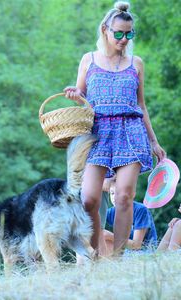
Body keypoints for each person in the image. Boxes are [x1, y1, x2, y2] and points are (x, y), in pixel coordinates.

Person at [64, 1, 166, 255]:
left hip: (130, 132)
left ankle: (117, 258)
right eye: (118, 33)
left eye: (129, 34)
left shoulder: (136, 63)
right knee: (89, 199)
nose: (123, 39)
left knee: (123, 197)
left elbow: (141, 105)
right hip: (97, 134)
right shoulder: (88, 60)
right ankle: (97, 252)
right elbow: (82, 95)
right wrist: (76, 94)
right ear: (105, 30)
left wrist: (153, 141)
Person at [99, 178, 157, 255]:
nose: (114, 197)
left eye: (119, 193)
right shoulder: (112, 212)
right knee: (101, 239)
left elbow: (137, 245)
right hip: (125, 252)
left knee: (106, 238)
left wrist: (109, 235)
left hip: (145, 253)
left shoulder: (140, 210)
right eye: (112, 193)